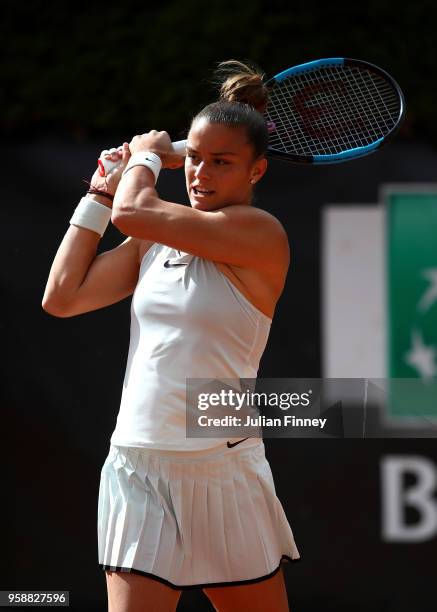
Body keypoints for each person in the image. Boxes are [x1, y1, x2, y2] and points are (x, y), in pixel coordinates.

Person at [42, 59, 300, 612]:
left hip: (223, 468)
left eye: (222, 163)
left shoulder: (260, 234)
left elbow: (137, 209)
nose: (200, 175)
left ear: (257, 172)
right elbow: (62, 297)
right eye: (197, 161)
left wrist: (145, 158)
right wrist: (98, 196)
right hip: (138, 465)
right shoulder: (153, 237)